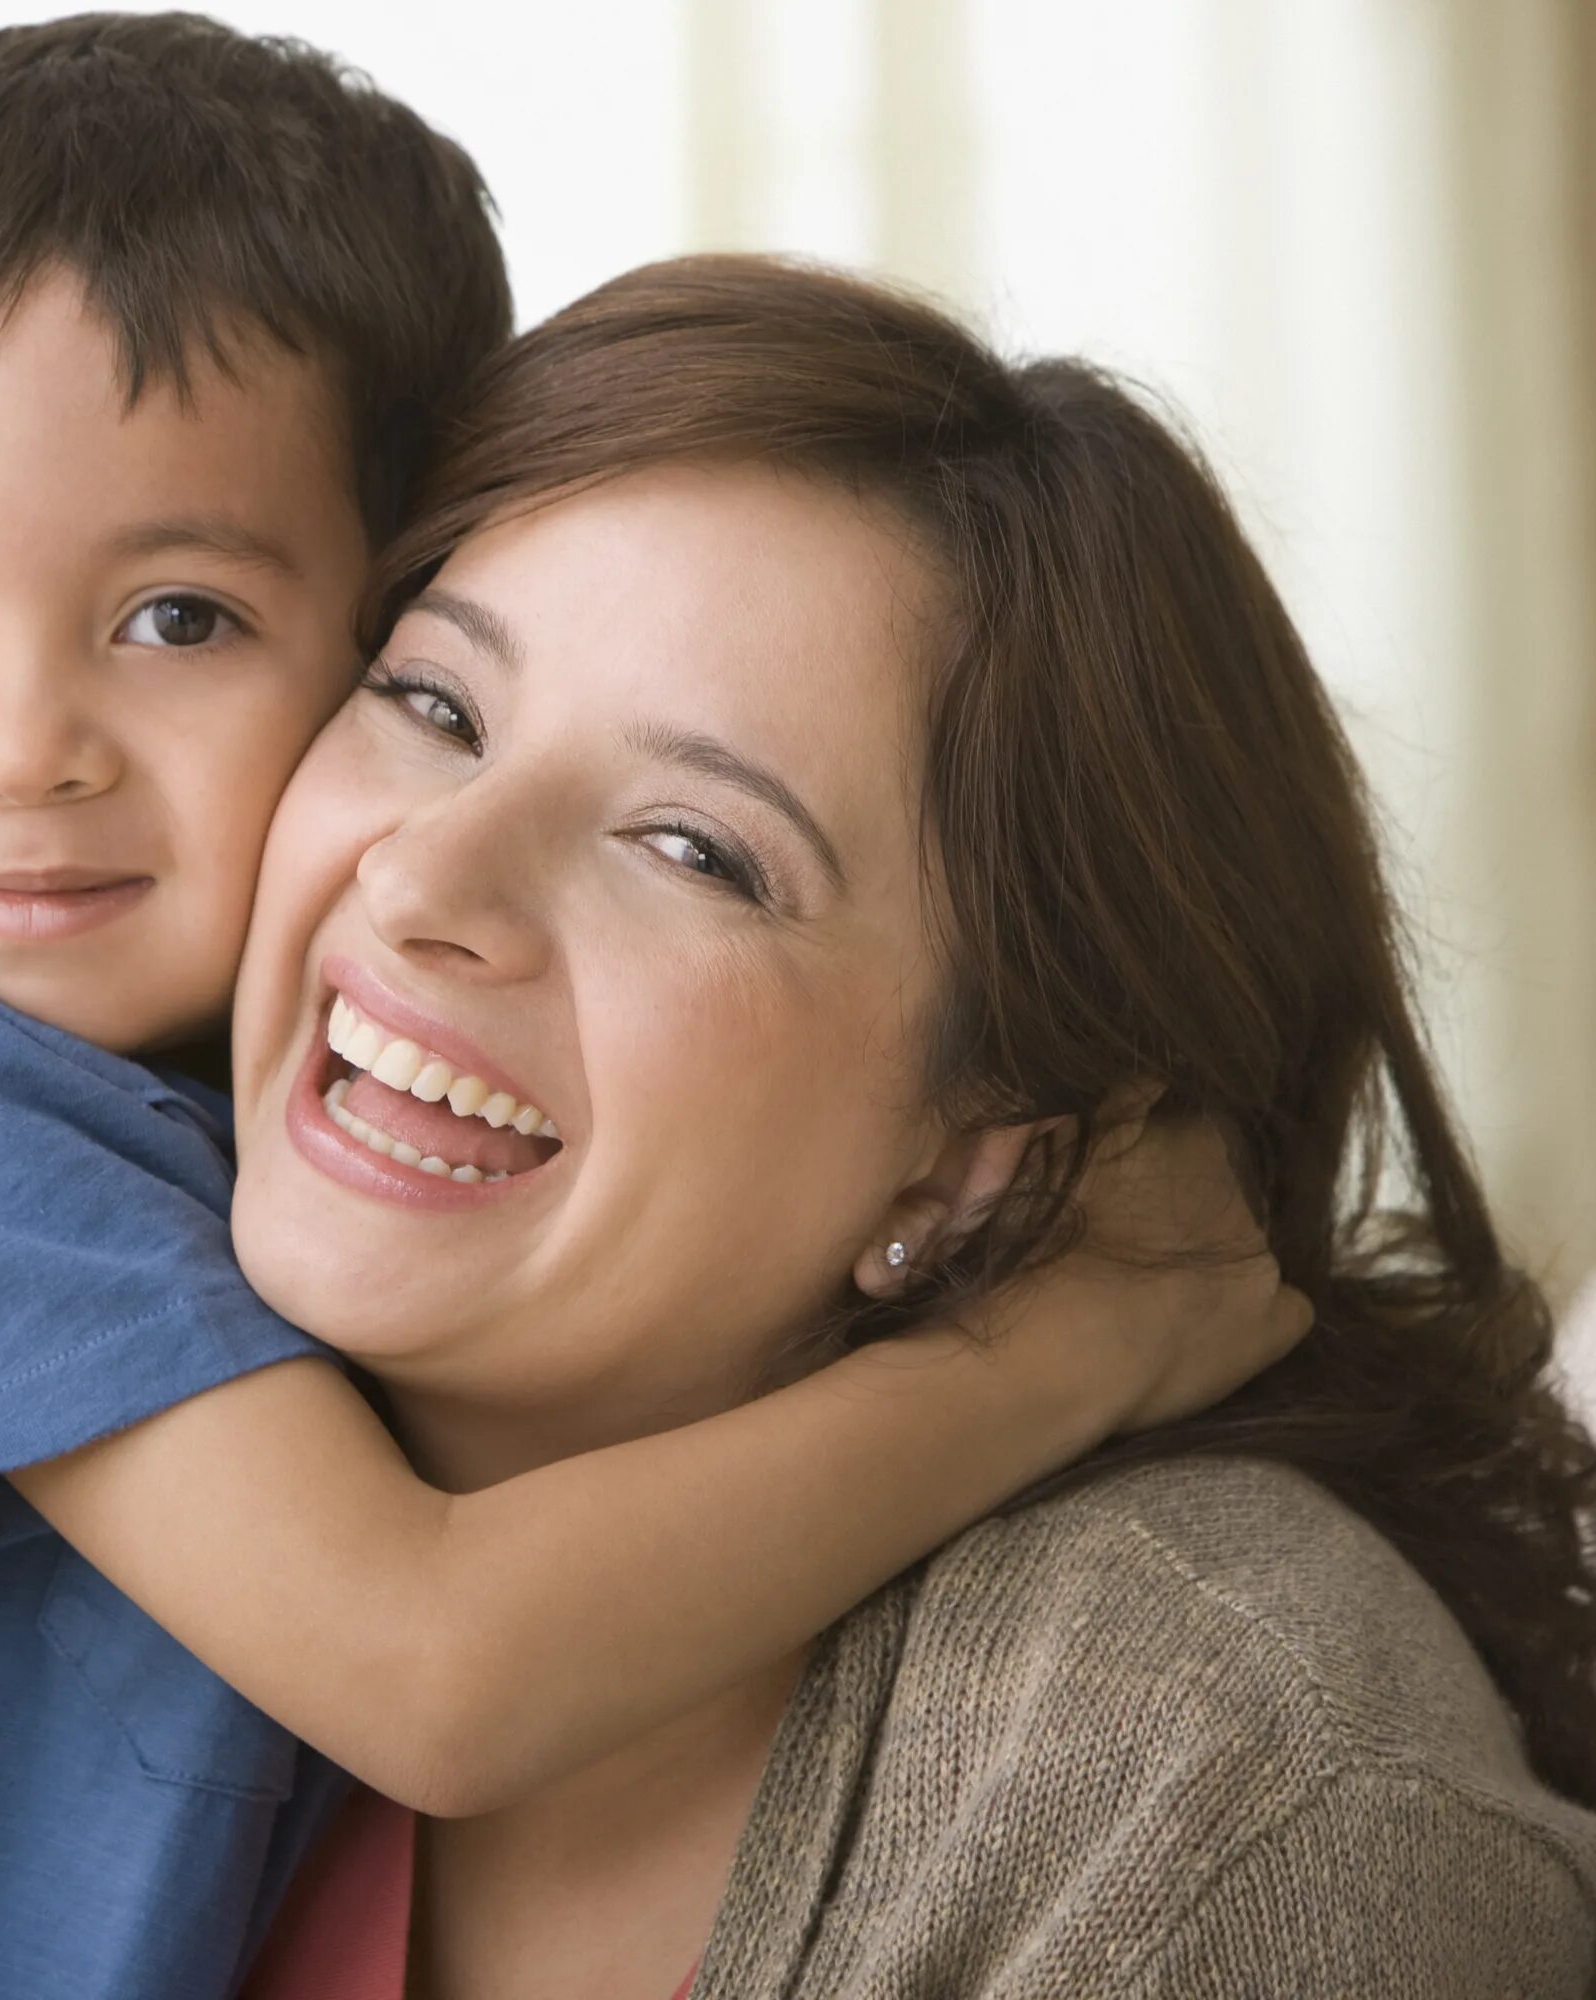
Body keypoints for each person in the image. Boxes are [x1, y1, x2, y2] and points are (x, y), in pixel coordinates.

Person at [0, 21, 1299, 2000]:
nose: (24, 751)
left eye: (178, 618)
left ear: (373, 617)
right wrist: (1057, 1355)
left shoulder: (271, 1115)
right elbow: (428, 1667)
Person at [149, 255, 1596, 1996]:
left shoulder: (1227, 1806)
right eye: (436, 705)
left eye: (696, 849)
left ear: (990, 1149)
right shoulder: (67, 1324)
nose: (421, 880)